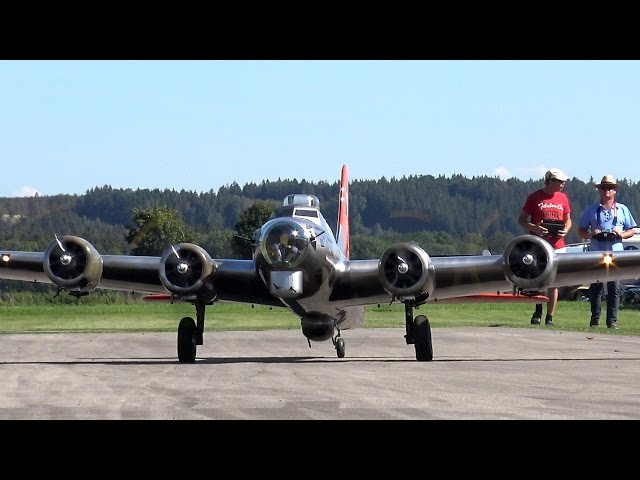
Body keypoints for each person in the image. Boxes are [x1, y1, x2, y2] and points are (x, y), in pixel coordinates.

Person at [577, 175, 637, 329]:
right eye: (604, 188)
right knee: (595, 288)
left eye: (610, 188)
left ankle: (612, 321)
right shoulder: (591, 210)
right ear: (599, 190)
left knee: (614, 288)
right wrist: (592, 234)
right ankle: (594, 320)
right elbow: (581, 231)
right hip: (597, 253)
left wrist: (621, 234)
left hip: (616, 253)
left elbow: (631, 230)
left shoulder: (622, 209)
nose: (607, 191)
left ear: (615, 191)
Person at [517, 168, 572, 326]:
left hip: (558, 245)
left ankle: (550, 317)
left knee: (554, 281)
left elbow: (568, 220)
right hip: (539, 245)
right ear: (550, 181)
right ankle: (538, 310)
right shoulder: (534, 197)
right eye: (559, 182)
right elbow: (521, 219)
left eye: (563, 182)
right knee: (539, 279)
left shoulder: (563, 198)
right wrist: (534, 228)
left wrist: (565, 230)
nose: (562, 184)